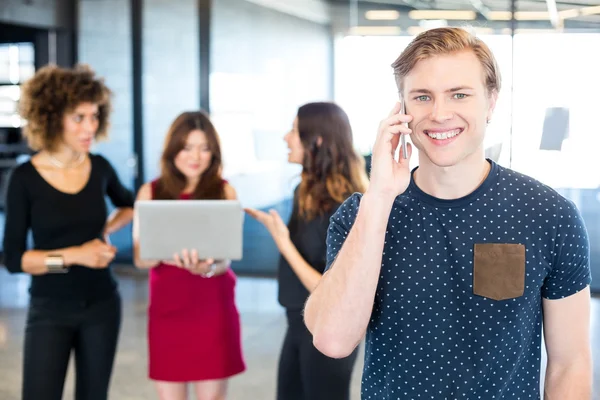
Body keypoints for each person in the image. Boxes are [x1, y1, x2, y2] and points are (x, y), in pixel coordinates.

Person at [304, 27, 592, 399]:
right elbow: (332, 340)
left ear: (490, 102)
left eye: (459, 94)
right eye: (422, 97)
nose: (439, 114)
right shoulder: (363, 214)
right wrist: (380, 198)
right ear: (402, 110)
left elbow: (570, 363)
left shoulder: (547, 215)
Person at [2, 64, 135, 400]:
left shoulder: (100, 167)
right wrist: (76, 255)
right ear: (51, 118)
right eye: (79, 118)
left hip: (103, 306)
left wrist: (105, 230)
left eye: (94, 116)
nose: (90, 126)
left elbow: (131, 205)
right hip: (50, 309)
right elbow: (15, 260)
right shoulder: (25, 179)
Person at [245, 102, 368, 400]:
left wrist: (283, 243)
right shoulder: (305, 191)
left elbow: (333, 292)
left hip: (326, 331)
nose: (286, 138)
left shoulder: (345, 206)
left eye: (294, 131)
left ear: (318, 140)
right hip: (297, 324)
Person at [132, 110, 245, 400]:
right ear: (173, 150)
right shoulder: (151, 191)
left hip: (212, 307)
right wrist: (164, 254)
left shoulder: (225, 192)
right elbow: (139, 258)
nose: (196, 156)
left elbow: (226, 258)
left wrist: (207, 268)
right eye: (187, 147)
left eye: (205, 148)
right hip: (168, 308)